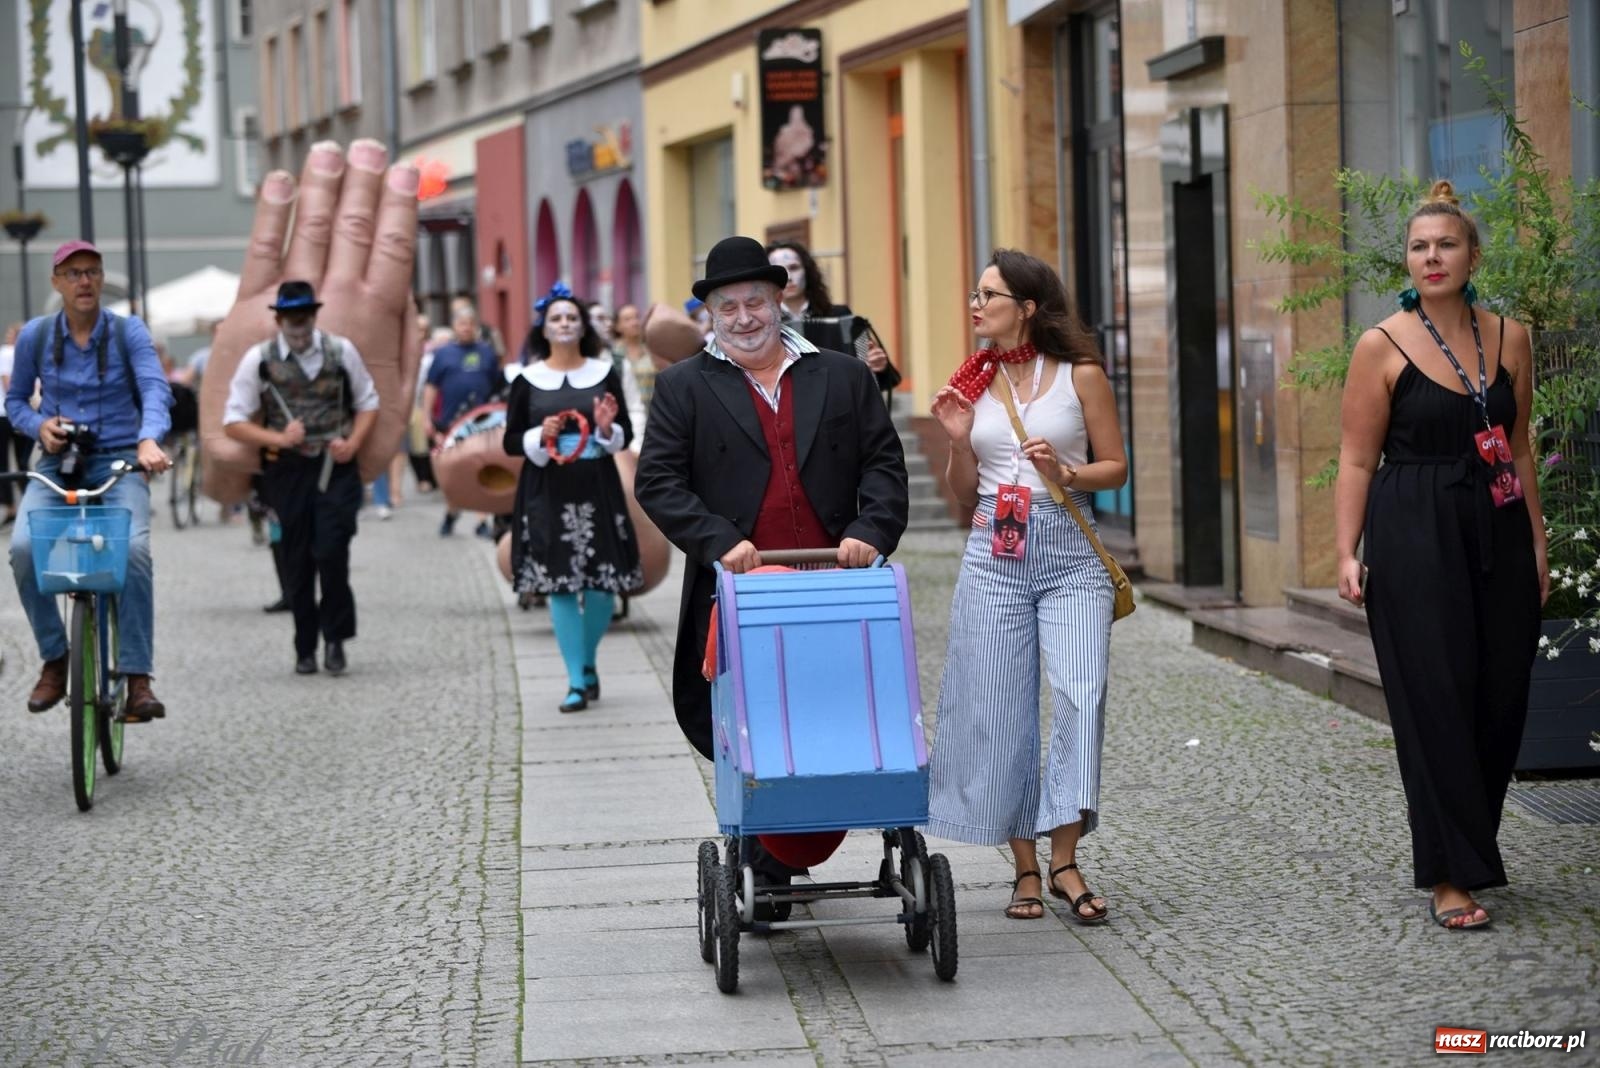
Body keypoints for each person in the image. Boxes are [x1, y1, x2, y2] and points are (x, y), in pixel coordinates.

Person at [635, 235, 908, 905]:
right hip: (743, 594)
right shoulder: (682, 387)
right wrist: (718, 540)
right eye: (726, 307)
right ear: (710, 314)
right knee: (756, 724)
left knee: (845, 713)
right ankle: (767, 853)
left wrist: (870, 532)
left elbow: (883, 463)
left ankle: (821, 831)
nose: (743, 317)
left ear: (779, 298)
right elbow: (659, 482)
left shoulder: (842, 374)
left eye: (754, 301)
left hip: (839, 588)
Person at [1334, 180, 1546, 931]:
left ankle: (1473, 843)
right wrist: (1346, 551)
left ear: (1473, 254)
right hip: (1413, 528)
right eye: (1420, 247)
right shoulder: (1381, 344)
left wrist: (1539, 547)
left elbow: (1519, 451)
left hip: (1498, 525)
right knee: (1434, 699)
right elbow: (1357, 460)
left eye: (1446, 244)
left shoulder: (1512, 337)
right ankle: (1449, 872)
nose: (1432, 257)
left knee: (1498, 696)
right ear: (1408, 260)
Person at [924, 248, 1128, 925]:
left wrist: (1068, 475)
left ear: (1029, 307)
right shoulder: (974, 385)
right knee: (1003, 711)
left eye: (990, 294)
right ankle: (1026, 870)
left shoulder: (1081, 375)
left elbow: (1116, 468)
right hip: (992, 551)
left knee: (1080, 694)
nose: (976, 305)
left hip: (1069, 552)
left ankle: (1066, 858)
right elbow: (962, 495)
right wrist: (957, 441)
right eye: (977, 293)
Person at [6, 240, 174, 721]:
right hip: (59, 463)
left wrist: (148, 440)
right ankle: (55, 658)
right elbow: (16, 401)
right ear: (57, 281)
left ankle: (138, 677)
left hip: (121, 460)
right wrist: (38, 426)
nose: (85, 281)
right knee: (22, 547)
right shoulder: (37, 336)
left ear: (101, 280)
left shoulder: (128, 332)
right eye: (74, 273)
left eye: (93, 272)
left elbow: (155, 389)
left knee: (135, 551)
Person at [222, 280, 381, 676]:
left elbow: (368, 402)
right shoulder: (258, 360)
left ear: (314, 315)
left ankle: (336, 640)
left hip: (334, 466)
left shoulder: (341, 352)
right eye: (291, 317)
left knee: (332, 551)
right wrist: (278, 437)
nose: (299, 323)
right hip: (288, 471)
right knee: (297, 559)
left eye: (305, 315)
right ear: (278, 319)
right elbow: (234, 421)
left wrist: (354, 441)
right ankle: (304, 646)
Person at [502, 285, 643, 711]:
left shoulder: (603, 372)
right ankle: (576, 680)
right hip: (546, 489)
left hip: (595, 484)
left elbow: (626, 434)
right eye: (556, 318)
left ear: (583, 327)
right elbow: (510, 441)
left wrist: (604, 427)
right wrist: (537, 435)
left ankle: (587, 660)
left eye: (571, 318)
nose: (564, 324)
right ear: (543, 328)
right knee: (561, 585)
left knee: (601, 586)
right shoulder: (526, 380)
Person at [767, 240, 899, 403]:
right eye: (780, 270)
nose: (789, 277)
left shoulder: (839, 316)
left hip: (840, 409)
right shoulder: (764, 322)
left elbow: (878, 378)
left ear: (807, 271)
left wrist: (878, 366)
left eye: (794, 268)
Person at [424, 302, 501, 537]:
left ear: (476, 326)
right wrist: (428, 419)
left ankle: (481, 521)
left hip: (483, 422)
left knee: (483, 470)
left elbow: (498, 386)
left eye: (470, 324)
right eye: (461, 324)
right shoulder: (443, 354)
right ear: (454, 326)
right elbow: (430, 388)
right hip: (451, 422)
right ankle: (451, 513)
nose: (466, 328)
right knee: (456, 474)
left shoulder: (487, 352)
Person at [0, 321, 36, 526]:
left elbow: (8, 385)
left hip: (5, 414)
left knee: (3, 463)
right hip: (24, 413)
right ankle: (29, 505)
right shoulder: (30, 353)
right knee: (23, 462)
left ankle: (12, 507)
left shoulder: (6, 352)